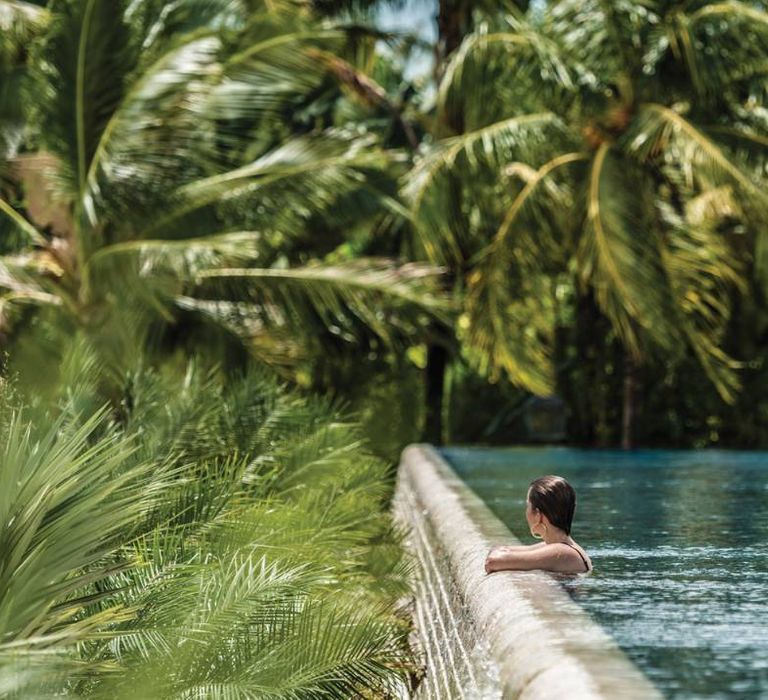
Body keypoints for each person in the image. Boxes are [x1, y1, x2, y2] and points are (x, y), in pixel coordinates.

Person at [484, 475, 592, 574]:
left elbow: (493, 562)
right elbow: (502, 549)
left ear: (538, 514)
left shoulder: (560, 551)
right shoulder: (556, 546)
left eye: (528, 505)